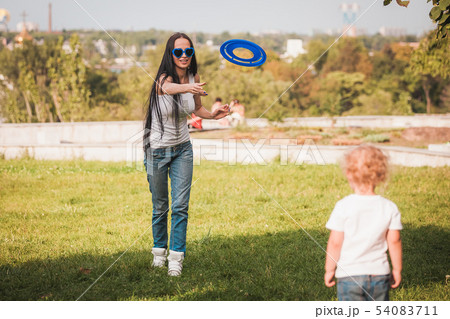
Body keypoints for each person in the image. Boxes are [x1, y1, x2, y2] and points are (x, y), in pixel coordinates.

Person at [143, 32, 229, 276]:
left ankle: (176, 259)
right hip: (157, 150)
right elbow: (164, 88)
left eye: (188, 51)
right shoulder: (164, 78)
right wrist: (186, 86)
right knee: (160, 206)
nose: (183, 55)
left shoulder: (194, 77)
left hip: (183, 148)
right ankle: (158, 253)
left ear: (192, 54)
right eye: (178, 51)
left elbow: (197, 108)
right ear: (171, 54)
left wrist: (214, 115)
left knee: (180, 206)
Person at [324, 145, 402, 301]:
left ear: (348, 174)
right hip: (380, 274)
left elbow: (335, 243)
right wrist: (397, 269)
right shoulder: (389, 207)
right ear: (381, 175)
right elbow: (394, 241)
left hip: (349, 275)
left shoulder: (343, 206)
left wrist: (329, 269)